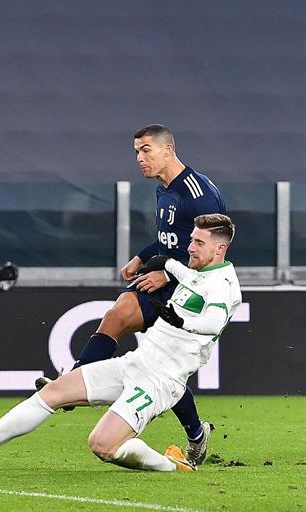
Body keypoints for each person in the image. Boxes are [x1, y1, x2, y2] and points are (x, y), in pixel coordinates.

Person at [0, 214, 240, 472]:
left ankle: (172, 466)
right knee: (54, 391)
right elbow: (188, 277)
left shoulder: (224, 285)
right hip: (136, 362)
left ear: (220, 248)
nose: (191, 247)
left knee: (102, 445)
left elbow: (213, 322)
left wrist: (180, 320)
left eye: (199, 243)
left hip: (161, 381)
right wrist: (167, 263)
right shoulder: (200, 272)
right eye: (191, 240)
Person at [36, 124, 226, 466]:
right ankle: (72, 382)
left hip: (188, 290)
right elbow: (169, 239)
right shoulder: (164, 190)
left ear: (168, 150)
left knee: (163, 369)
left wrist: (165, 272)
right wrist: (141, 257)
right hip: (163, 277)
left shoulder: (198, 194)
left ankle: (197, 434)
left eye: (146, 150)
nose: (139, 158)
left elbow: (211, 250)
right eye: (137, 151)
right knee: (118, 314)